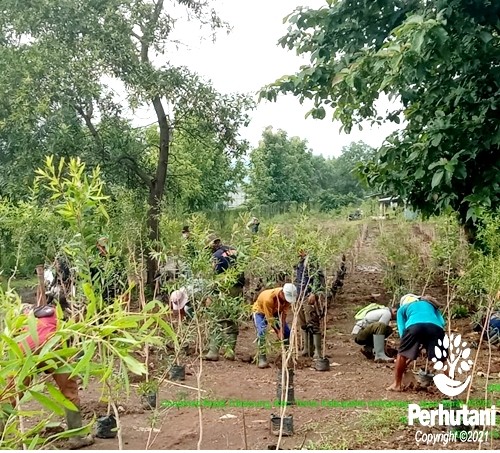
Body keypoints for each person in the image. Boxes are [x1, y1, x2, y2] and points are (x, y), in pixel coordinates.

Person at [0, 303, 93, 449]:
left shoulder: (23, 317)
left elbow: (12, 339)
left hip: (25, 350)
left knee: (11, 395)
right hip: (53, 346)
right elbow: (69, 333)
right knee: (70, 391)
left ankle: (1, 435)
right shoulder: (57, 314)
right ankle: (76, 436)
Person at [387, 294, 446, 392]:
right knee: (443, 359)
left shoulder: (402, 309)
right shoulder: (431, 305)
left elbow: (402, 331)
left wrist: (409, 346)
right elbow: (442, 323)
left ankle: (397, 385)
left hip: (414, 327)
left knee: (401, 355)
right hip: (436, 328)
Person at [204, 234, 245, 362]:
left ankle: (213, 351)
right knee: (232, 318)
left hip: (223, 289)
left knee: (218, 319)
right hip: (237, 288)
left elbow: (214, 276)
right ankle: (230, 352)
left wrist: (211, 294)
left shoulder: (215, 257)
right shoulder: (234, 250)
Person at [252, 284, 298, 368]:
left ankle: (287, 355)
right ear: (282, 293)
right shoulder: (268, 299)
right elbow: (270, 319)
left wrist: (282, 329)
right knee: (261, 332)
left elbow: (284, 314)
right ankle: (262, 357)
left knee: (287, 332)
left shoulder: (287, 300)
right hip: (260, 312)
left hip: (275, 312)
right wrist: (278, 332)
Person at [296, 249, 326, 359]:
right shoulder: (300, 262)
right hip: (300, 295)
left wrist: (313, 292)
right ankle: (307, 348)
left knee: (313, 322)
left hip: (308, 295)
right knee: (303, 323)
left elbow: (317, 277)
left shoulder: (311, 260)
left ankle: (317, 351)